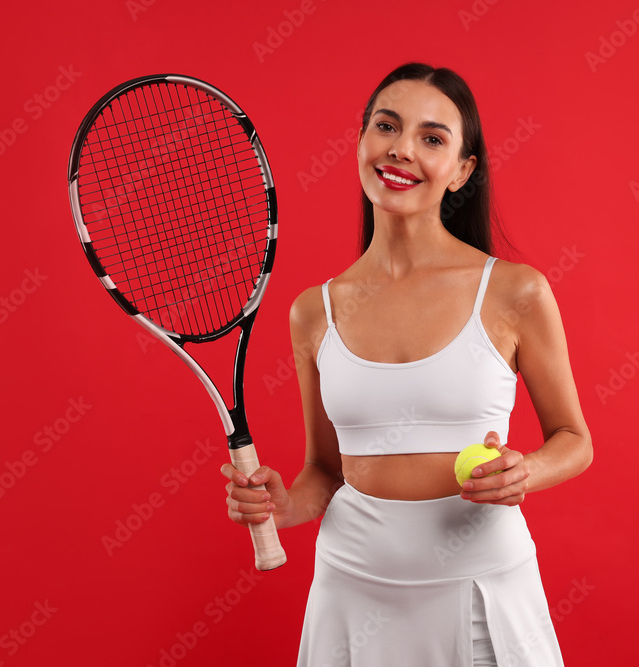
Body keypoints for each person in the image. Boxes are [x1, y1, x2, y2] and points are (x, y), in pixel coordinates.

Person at [221, 62, 593, 666]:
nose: (401, 149)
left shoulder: (515, 292)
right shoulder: (313, 312)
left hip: (480, 587)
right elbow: (325, 469)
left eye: (432, 138)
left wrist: (526, 471)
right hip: (351, 590)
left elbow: (575, 439)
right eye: (386, 126)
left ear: (462, 170)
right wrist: (285, 505)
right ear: (361, 141)